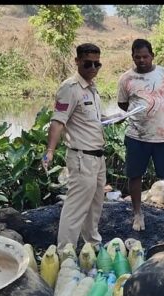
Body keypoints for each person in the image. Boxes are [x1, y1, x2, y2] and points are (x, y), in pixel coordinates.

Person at [43, 43, 113, 250]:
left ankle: (92, 245)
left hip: (98, 157)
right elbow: (58, 121)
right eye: (87, 63)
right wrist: (50, 151)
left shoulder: (92, 88)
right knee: (76, 207)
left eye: (97, 64)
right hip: (82, 157)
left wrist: (112, 118)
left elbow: (91, 119)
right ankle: (66, 251)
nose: (93, 68)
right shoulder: (70, 88)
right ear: (77, 61)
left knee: (95, 205)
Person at [117, 38, 164, 232]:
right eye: (137, 57)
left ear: (152, 56)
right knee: (134, 175)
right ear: (132, 57)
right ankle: (138, 214)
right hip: (136, 136)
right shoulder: (126, 79)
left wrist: (163, 115)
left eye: (145, 56)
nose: (141, 60)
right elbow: (122, 103)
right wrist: (139, 115)